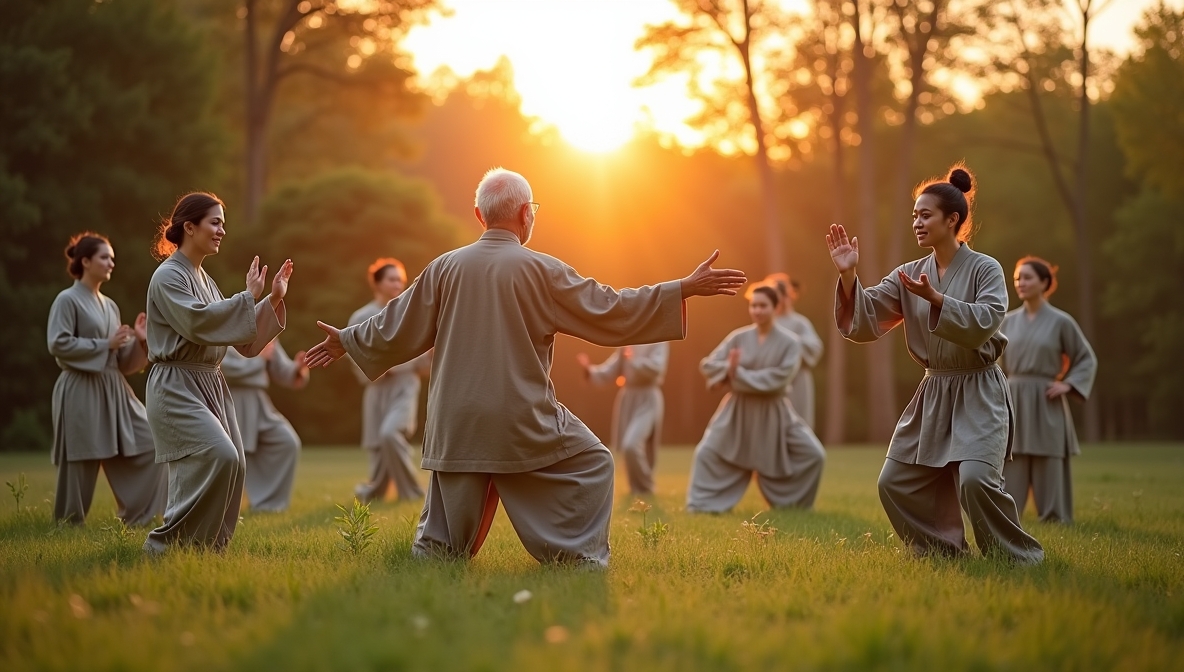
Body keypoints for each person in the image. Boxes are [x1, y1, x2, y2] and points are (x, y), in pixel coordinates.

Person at [305, 167, 746, 567]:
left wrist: (346, 341)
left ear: (479, 215)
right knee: (595, 462)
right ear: (524, 214)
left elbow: (395, 325)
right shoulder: (542, 269)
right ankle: (576, 557)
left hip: (454, 423)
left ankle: (430, 561)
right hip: (522, 420)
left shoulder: (444, 268)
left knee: (440, 542)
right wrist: (681, 289)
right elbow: (610, 309)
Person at [828, 165, 1044, 564]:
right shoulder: (909, 274)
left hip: (979, 388)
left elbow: (985, 321)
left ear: (953, 220)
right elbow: (865, 319)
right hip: (935, 390)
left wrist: (937, 300)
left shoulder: (986, 269)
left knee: (977, 482)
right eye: (914, 215)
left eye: (925, 215)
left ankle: (1016, 557)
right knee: (894, 482)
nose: (917, 222)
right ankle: (944, 552)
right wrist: (848, 275)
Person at [142, 192, 292, 553]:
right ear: (189, 227)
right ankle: (165, 548)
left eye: (223, 222)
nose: (222, 230)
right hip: (177, 383)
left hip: (210, 381)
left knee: (235, 464)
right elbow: (198, 322)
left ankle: (207, 550)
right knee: (218, 455)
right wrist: (246, 296)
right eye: (215, 222)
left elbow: (238, 338)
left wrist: (270, 300)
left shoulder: (204, 278)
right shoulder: (168, 277)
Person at [47, 232, 167, 525]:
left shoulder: (110, 305)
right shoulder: (67, 300)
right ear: (85, 261)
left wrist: (139, 342)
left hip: (115, 390)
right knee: (82, 460)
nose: (111, 263)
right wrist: (106, 345)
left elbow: (120, 362)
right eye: (104, 257)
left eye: (112, 258)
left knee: (153, 442)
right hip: (80, 389)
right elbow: (58, 344)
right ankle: (68, 525)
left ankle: (142, 516)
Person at [686, 284, 825, 512]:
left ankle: (794, 506)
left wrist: (736, 374)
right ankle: (701, 506)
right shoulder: (738, 337)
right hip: (736, 410)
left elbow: (780, 378)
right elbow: (708, 364)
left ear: (775, 307)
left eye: (763, 306)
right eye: (754, 306)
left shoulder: (790, 342)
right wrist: (727, 370)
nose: (758, 311)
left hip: (775, 411)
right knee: (706, 453)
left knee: (814, 454)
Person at [999, 256, 1096, 523]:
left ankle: (1055, 518)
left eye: (1027, 278)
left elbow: (1086, 358)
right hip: (1014, 398)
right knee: (1011, 460)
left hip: (1046, 400)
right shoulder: (1006, 322)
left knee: (1049, 461)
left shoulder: (1061, 322)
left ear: (1044, 283)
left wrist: (1068, 383)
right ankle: (1007, 520)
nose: (1021, 283)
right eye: (1018, 278)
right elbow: (992, 362)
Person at [348, 258, 430, 504]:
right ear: (377, 283)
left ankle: (413, 495)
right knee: (380, 448)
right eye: (392, 279)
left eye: (401, 280)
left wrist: (429, 357)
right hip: (376, 387)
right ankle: (371, 492)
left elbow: (423, 353)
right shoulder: (361, 316)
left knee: (389, 433)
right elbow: (353, 351)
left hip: (405, 385)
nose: (398, 284)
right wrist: (377, 368)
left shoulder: (409, 313)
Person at [220, 340, 309, 512]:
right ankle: (224, 507)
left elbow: (283, 371)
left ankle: (270, 505)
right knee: (233, 454)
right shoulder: (221, 325)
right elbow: (226, 369)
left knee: (287, 441)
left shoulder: (265, 329)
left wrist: (298, 367)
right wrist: (258, 359)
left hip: (259, 401)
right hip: (229, 399)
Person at [576, 341, 670, 496]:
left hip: (648, 398)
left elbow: (657, 368)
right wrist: (590, 371)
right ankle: (636, 490)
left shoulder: (659, 340)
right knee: (628, 447)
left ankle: (647, 487)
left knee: (632, 445)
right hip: (629, 398)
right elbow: (611, 369)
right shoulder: (629, 341)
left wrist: (634, 361)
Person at [766, 273, 824, 429]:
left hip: (797, 381)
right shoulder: (767, 322)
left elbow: (815, 347)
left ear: (788, 297)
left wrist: (793, 343)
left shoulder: (799, 323)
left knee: (797, 423)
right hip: (771, 378)